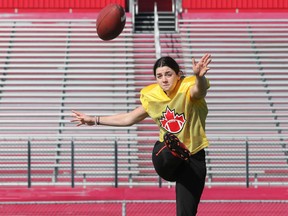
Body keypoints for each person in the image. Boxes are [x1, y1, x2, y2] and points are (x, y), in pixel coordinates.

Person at [71, 53, 211, 216]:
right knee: (169, 142)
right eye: (159, 76)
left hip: (193, 157)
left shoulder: (188, 88)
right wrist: (94, 119)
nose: (164, 80)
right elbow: (129, 118)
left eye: (168, 74)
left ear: (178, 75)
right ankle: (174, 149)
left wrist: (199, 77)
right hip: (164, 154)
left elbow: (198, 91)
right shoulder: (153, 97)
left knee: (186, 213)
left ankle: (178, 151)